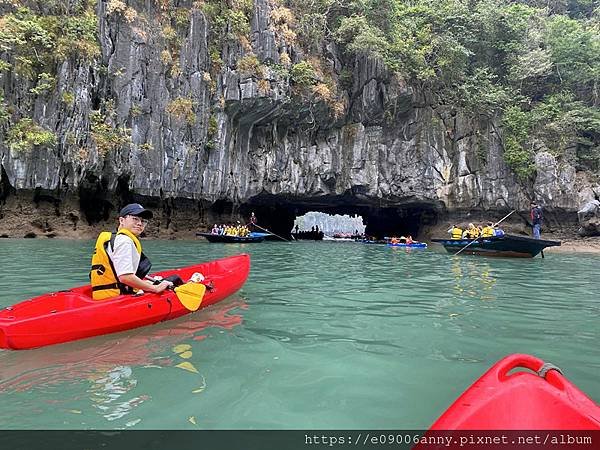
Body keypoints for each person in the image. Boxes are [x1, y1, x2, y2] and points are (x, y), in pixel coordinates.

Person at [90, 203, 174, 300]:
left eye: (143, 221)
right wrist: (155, 288)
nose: (140, 223)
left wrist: (142, 283)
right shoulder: (124, 241)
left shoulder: (114, 238)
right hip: (115, 297)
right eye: (135, 219)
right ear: (122, 220)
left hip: (103, 294)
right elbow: (125, 277)